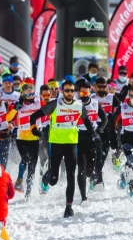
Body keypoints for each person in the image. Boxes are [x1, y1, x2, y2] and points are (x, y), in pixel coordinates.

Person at [30, 79, 98, 218]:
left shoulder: (79, 105)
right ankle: (47, 176)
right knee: (54, 180)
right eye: (67, 90)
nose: (69, 93)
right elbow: (34, 116)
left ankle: (69, 207)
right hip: (55, 143)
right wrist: (34, 129)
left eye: (72, 91)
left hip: (72, 144)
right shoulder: (55, 104)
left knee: (71, 175)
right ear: (62, 91)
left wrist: (94, 135)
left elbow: (87, 122)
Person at [76, 79, 107, 197]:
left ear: (89, 92)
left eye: (86, 93)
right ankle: (83, 196)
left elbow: (104, 119)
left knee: (90, 169)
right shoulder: (75, 104)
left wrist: (98, 131)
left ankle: (93, 177)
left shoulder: (95, 103)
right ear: (78, 93)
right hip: (78, 136)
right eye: (82, 93)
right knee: (81, 168)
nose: (84, 95)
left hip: (92, 137)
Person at [12, 83, 41, 197]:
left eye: (32, 93)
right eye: (28, 94)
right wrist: (15, 108)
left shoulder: (38, 102)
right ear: (23, 94)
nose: (30, 96)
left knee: (32, 166)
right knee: (25, 158)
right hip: (22, 137)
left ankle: (28, 192)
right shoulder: (19, 105)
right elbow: (9, 118)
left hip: (34, 138)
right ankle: (19, 179)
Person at [92, 77, 120, 188]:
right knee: (96, 154)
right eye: (100, 87)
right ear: (95, 87)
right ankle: (97, 177)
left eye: (104, 87)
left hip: (108, 129)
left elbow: (121, 109)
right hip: (95, 128)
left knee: (103, 154)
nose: (102, 89)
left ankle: (98, 178)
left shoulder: (112, 97)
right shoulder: (92, 98)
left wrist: (114, 118)